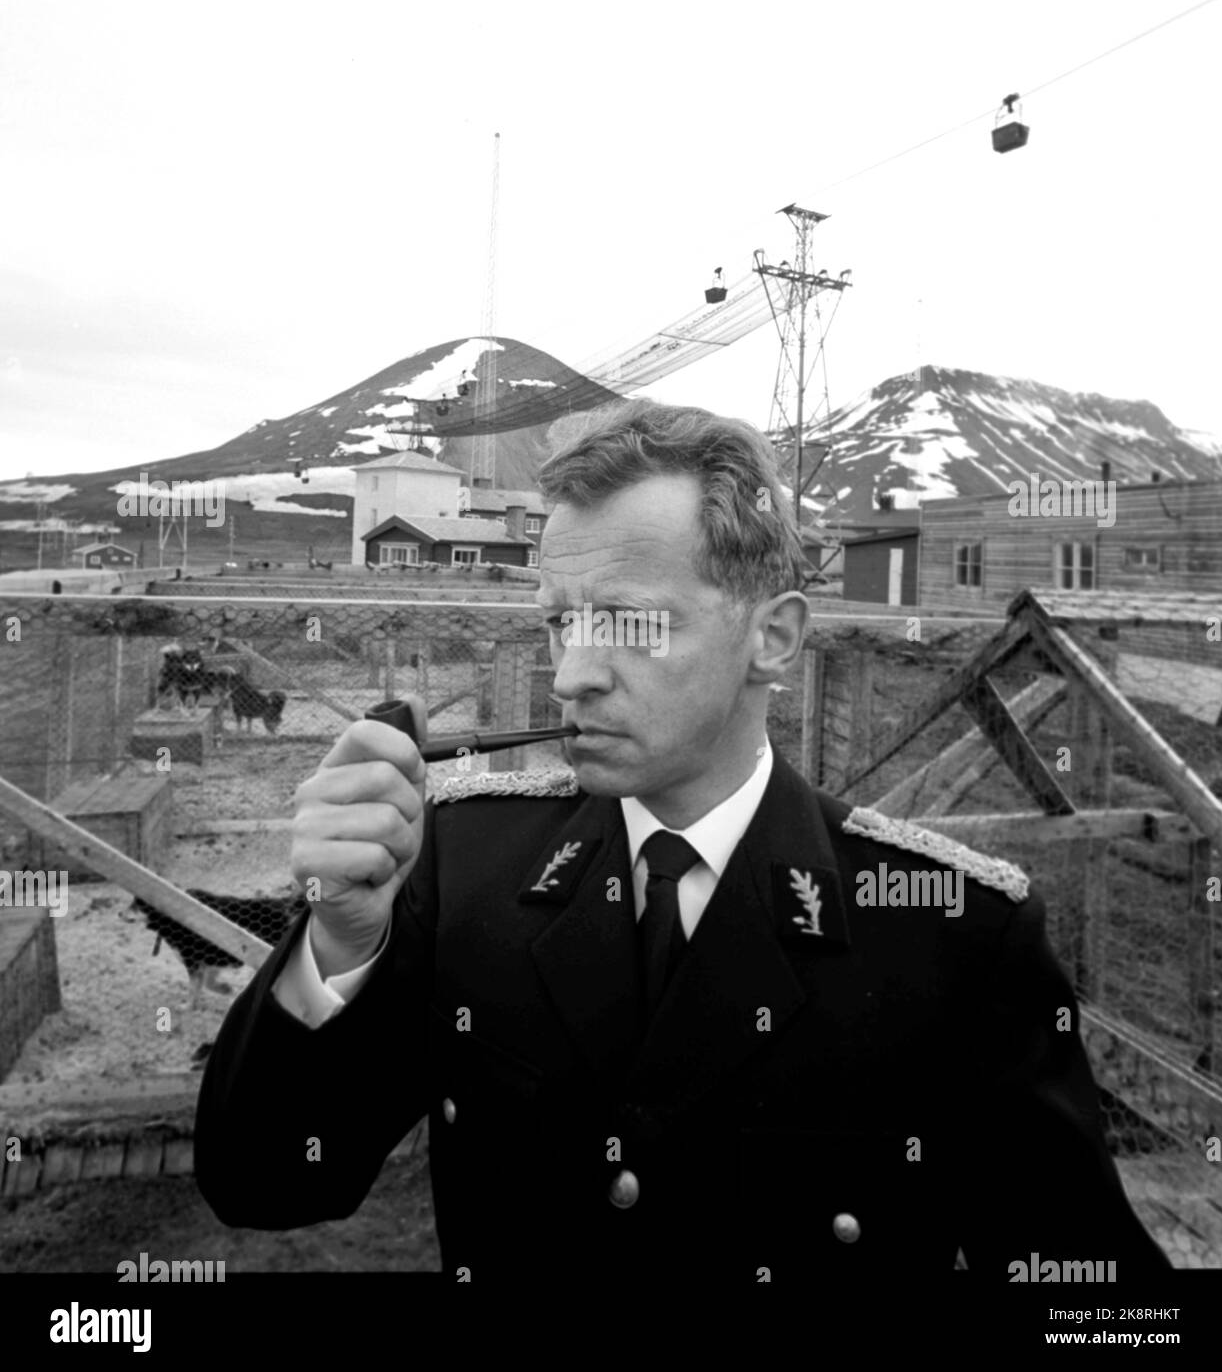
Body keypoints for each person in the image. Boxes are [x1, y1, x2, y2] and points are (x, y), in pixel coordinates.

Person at [194, 399, 1168, 1284]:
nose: (573, 670)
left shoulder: (951, 937)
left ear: (774, 638)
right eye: (561, 621)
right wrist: (338, 945)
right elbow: (265, 1181)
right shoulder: (463, 870)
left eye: (631, 622)